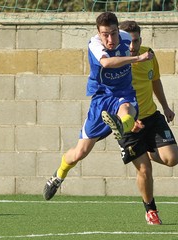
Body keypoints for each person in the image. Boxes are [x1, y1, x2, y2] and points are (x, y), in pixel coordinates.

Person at [43, 12, 153, 205]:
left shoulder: (126, 38)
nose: (110, 39)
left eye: (113, 33)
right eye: (105, 34)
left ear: (118, 30)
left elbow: (136, 44)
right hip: (101, 99)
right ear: (98, 33)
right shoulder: (94, 44)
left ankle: (122, 126)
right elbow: (106, 63)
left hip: (124, 93)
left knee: (127, 109)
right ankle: (58, 175)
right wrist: (137, 59)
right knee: (80, 152)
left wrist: (140, 52)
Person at [118, 20, 178, 225]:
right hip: (129, 124)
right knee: (144, 170)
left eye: (135, 41)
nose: (131, 46)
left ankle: (149, 151)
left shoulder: (148, 54)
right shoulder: (114, 63)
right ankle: (150, 210)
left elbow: (155, 80)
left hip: (152, 117)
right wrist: (125, 120)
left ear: (140, 40)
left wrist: (166, 106)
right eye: (127, 42)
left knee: (172, 159)